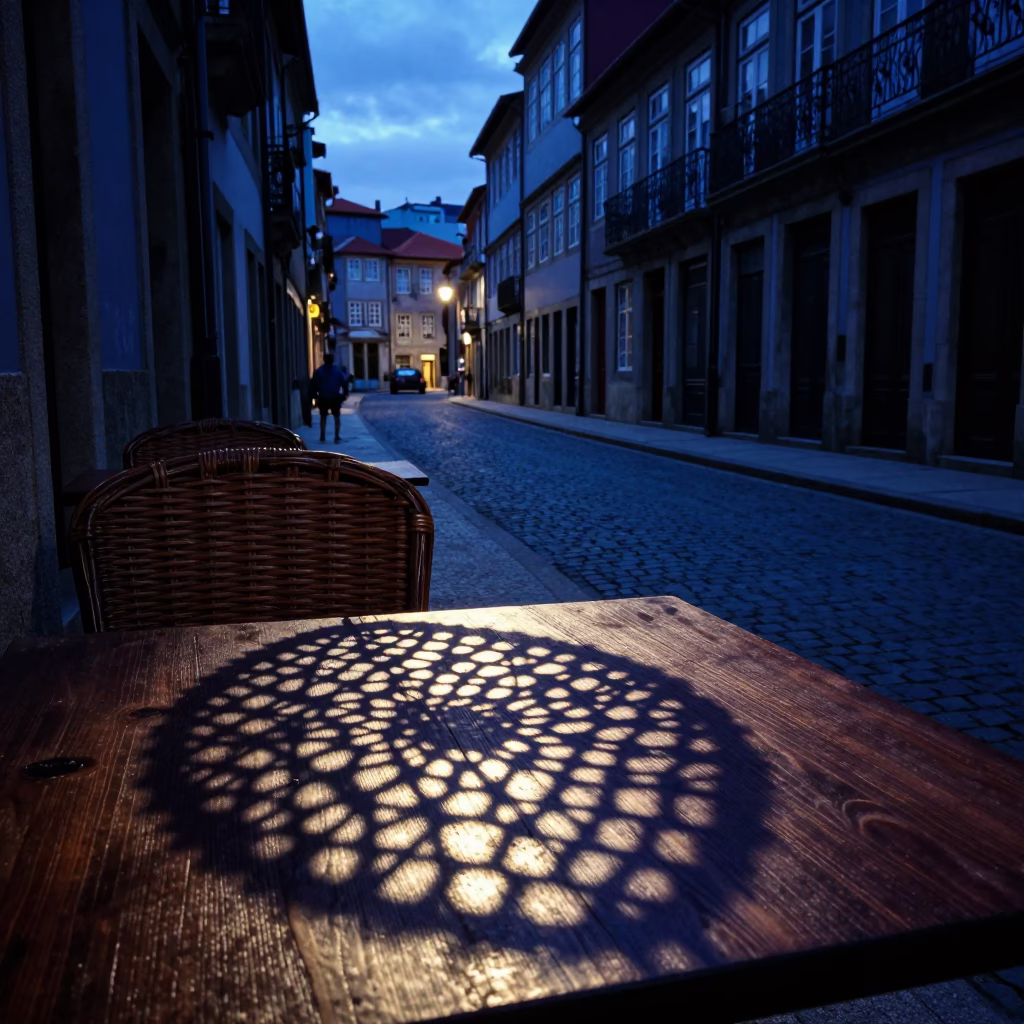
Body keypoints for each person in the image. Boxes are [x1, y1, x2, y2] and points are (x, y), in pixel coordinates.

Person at [309, 350, 348, 444]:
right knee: (337, 417)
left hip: (323, 396)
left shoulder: (319, 371)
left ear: (324, 360)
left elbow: (313, 384)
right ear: (333, 360)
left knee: (323, 417)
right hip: (334, 396)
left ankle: (322, 435)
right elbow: (344, 383)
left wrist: (314, 395)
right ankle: (336, 436)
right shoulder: (337, 371)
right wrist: (345, 394)